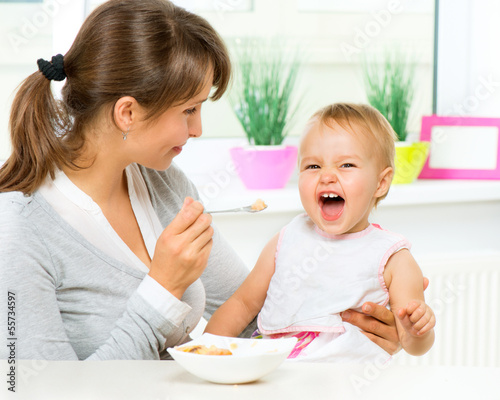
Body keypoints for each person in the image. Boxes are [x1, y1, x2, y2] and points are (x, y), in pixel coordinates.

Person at [0, 0, 403, 360]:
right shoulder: (19, 228)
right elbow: (35, 390)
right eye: (189, 109)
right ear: (128, 114)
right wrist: (161, 290)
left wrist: (349, 330)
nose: (198, 129)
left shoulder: (165, 186)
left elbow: (251, 319)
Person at [205, 103, 435, 363]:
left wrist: (417, 330)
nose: (326, 176)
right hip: (276, 380)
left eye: (346, 165)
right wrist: (207, 351)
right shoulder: (286, 240)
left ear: (381, 183)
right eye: (313, 166)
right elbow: (242, 305)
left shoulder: (394, 258)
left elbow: (412, 344)